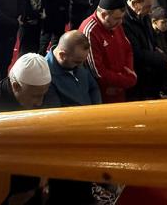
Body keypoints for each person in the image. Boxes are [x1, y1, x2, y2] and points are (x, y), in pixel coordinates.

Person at [0, 53, 51, 205]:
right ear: (16, 86)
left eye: (43, 95)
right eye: (35, 96)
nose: (40, 102)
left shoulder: (32, 91)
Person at [43, 31, 101, 205]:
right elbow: (56, 115)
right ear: (62, 55)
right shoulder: (46, 74)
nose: (81, 65)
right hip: (66, 142)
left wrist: (97, 112)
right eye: (77, 62)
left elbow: (93, 87)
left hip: (86, 132)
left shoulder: (75, 63)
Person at [79, 0, 136, 103]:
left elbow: (128, 49)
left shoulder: (115, 24)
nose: (120, 22)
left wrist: (128, 73)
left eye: (121, 18)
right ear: (104, 14)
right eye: (117, 18)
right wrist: (126, 80)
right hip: (105, 93)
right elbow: (97, 72)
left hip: (120, 87)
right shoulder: (90, 31)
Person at [123, 0, 167, 100]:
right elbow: (136, 53)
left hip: (150, 65)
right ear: (136, 4)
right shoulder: (124, 21)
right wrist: (161, 58)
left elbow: (150, 36)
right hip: (139, 72)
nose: (150, 11)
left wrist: (156, 49)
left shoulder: (143, 14)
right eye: (148, 7)